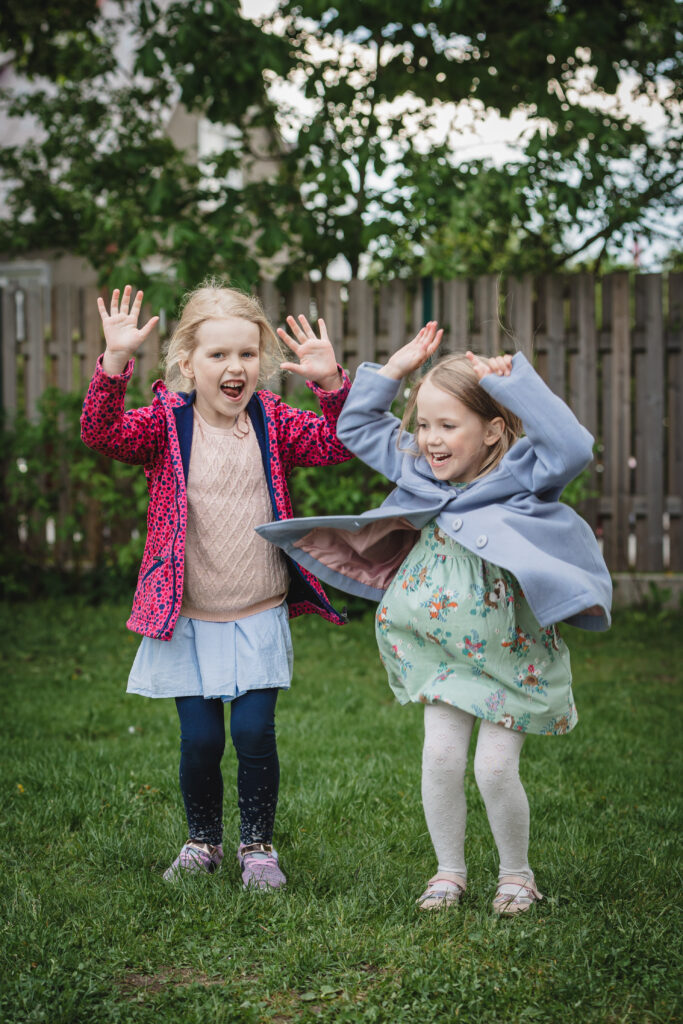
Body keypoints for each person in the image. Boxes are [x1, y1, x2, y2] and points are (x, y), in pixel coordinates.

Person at [256, 322, 611, 915]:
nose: (430, 440)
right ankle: (449, 872)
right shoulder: (417, 469)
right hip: (438, 650)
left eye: (448, 426)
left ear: (492, 430)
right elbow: (359, 427)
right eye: (422, 424)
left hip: (510, 654)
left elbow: (573, 447)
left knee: (494, 769)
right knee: (440, 759)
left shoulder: (523, 476)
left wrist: (517, 385)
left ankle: (517, 875)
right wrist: (392, 373)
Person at [81, 282, 352, 888]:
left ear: (262, 361)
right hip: (188, 615)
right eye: (219, 355)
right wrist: (115, 361)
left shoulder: (272, 420)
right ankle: (202, 841)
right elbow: (103, 434)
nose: (236, 367)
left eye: (248, 354)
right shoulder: (165, 424)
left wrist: (331, 384)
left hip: (258, 607)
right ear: (187, 363)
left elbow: (338, 443)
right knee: (201, 741)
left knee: (254, 733)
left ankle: (257, 847)